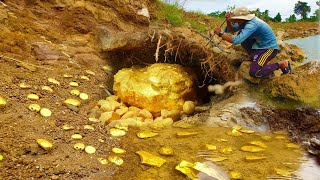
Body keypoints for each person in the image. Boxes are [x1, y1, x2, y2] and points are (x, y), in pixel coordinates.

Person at [213, 7, 292, 78]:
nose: (235, 21)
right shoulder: (244, 22)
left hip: (268, 48)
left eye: (236, 19)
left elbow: (237, 40)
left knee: (255, 72)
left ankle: (282, 64)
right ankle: (254, 57)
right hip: (258, 46)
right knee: (242, 34)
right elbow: (231, 30)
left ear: (241, 18)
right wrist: (228, 20)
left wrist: (221, 34)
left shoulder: (252, 24)